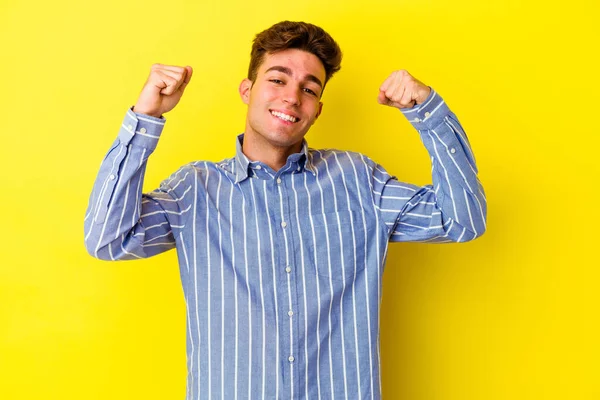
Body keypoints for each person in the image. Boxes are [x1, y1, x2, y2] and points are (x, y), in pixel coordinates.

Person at [84, 20, 486, 400]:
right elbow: (108, 239)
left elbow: (462, 219)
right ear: (247, 89)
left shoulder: (359, 181)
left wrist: (428, 112)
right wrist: (145, 117)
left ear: (318, 109)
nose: (292, 97)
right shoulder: (195, 190)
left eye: (309, 89)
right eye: (277, 79)